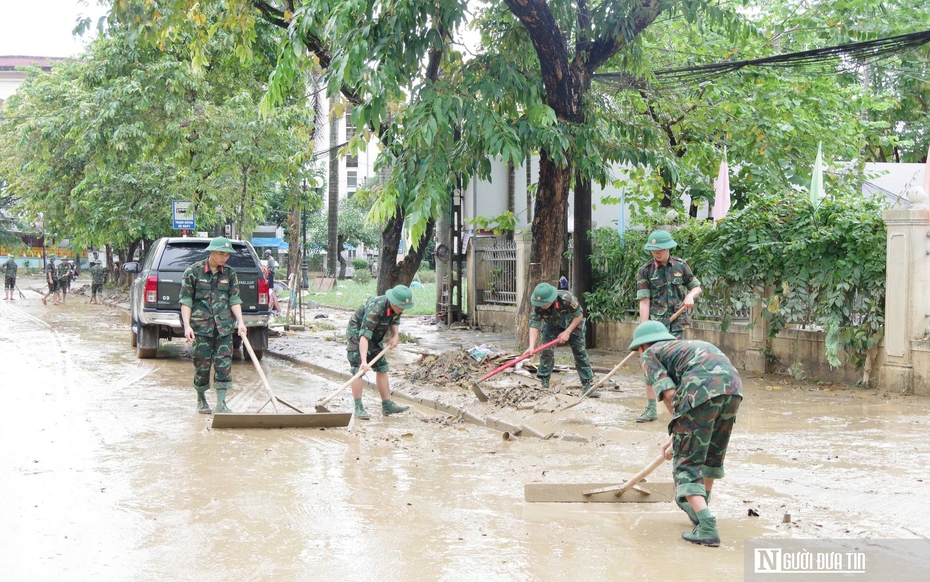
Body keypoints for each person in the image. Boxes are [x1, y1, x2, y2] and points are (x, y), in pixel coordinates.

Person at [628, 320, 742, 547]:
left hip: (701, 391)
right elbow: (691, 413)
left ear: (641, 346)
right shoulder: (682, 348)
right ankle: (699, 511)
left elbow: (670, 395)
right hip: (733, 389)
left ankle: (707, 527)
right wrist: (677, 433)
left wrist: (679, 434)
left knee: (687, 463)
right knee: (711, 453)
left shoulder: (649, 354)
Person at [634, 230, 702, 422]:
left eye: (660, 250)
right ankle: (650, 409)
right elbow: (644, 301)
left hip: (676, 326)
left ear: (668, 248)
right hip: (655, 329)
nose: (656, 253)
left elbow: (696, 287)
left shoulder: (681, 266)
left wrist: (690, 296)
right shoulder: (645, 271)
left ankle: (680, 408)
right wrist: (643, 331)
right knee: (649, 365)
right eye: (653, 250)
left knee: (678, 366)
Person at [179, 237, 248, 414]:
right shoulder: (193, 272)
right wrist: (187, 326)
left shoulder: (230, 273)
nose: (224, 258)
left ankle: (221, 403)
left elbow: (234, 299)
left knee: (223, 363)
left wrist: (240, 322)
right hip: (201, 327)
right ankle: (201, 399)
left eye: (227, 255)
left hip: (224, 327)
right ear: (211, 252)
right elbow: (186, 300)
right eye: (221, 254)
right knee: (201, 364)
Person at [346, 285, 413, 419]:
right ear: (393, 302)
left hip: (375, 335)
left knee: (382, 367)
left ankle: (387, 405)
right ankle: (358, 407)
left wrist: (395, 336)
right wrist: (364, 362)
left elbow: (395, 320)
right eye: (400, 307)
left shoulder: (397, 308)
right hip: (357, 334)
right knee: (358, 370)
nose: (402, 310)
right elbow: (364, 336)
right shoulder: (375, 309)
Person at [523, 282, 596, 396]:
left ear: (551, 299)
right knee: (546, 353)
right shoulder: (538, 305)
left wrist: (567, 332)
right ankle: (544, 383)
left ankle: (587, 384)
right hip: (551, 325)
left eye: (544, 303)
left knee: (580, 353)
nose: (541, 305)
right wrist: (531, 346)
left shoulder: (566, 298)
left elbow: (579, 315)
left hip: (573, 324)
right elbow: (534, 324)